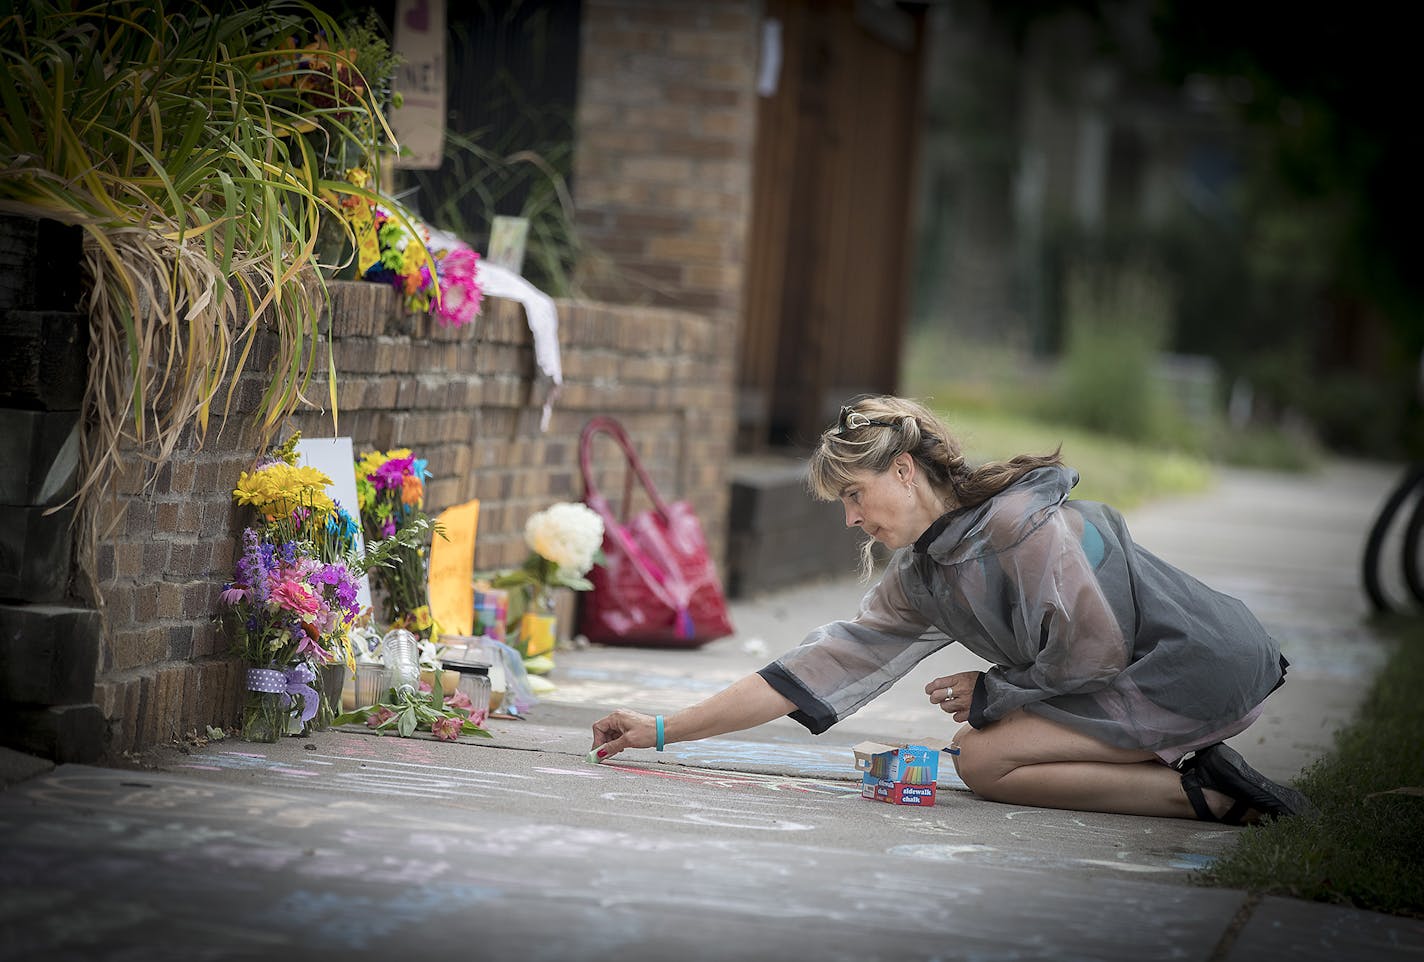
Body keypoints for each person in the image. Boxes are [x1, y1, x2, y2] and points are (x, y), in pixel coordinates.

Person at [590, 396, 1316, 824]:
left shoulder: (1023, 528)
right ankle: (1215, 789)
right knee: (981, 752)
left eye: (853, 495)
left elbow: (1094, 652)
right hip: (1153, 674)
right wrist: (661, 728)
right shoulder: (929, 570)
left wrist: (993, 690)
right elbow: (811, 665)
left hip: (1200, 664)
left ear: (903, 472)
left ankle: (1212, 793)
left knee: (981, 750)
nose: (849, 518)